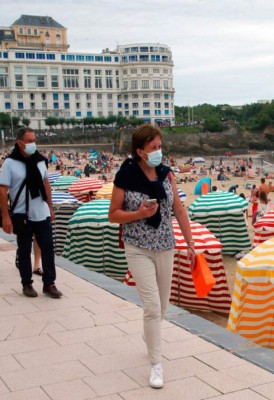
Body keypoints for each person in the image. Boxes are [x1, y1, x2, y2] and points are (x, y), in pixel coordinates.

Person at [108, 124, 195, 389]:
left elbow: (178, 210)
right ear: (140, 151)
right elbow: (113, 214)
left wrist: (190, 244)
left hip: (166, 245)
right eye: (153, 148)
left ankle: (150, 335)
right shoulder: (126, 176)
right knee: (152, 306)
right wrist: (138, 214)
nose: (158, 152)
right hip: (138, 247)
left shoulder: (167, 175)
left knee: (163, 307)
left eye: (160, 146)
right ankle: (156, 364)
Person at [0, 127, 62, 299]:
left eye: (34, 140)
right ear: (20, 143)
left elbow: (46, 183)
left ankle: (49, 283)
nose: (33, 144)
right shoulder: (10, 163)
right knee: (24, 250)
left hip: (42, 212)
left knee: (48, 248)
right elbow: (3, 191)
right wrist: (6, 216)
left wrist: (50, 207)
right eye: (29, 141)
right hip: (21, 213)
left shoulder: (40, 160)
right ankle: (27, 283)